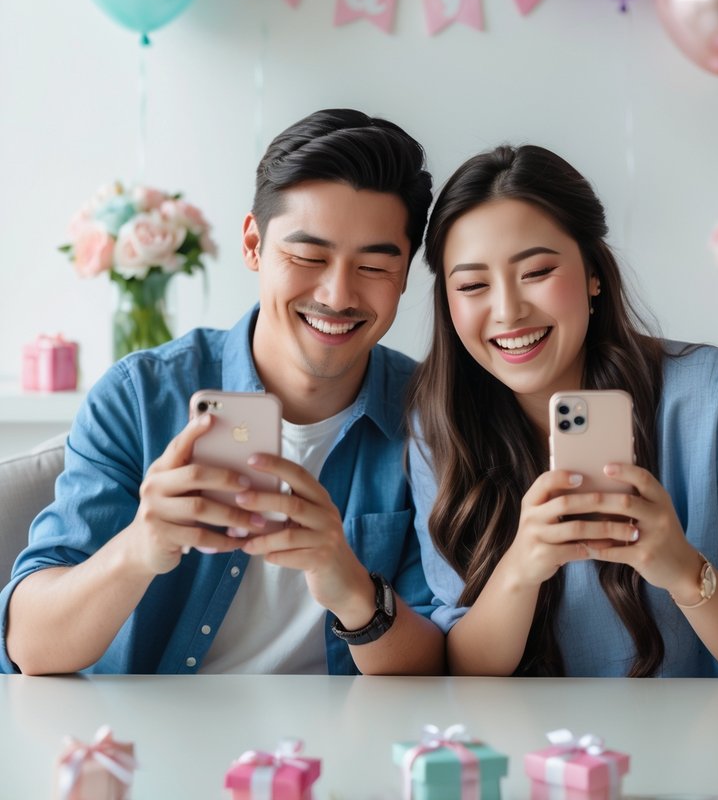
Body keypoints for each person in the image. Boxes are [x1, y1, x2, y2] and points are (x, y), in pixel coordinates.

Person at [1, 108, 444, 677]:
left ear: (405, 275)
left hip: (338, 731)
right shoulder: (140, 398)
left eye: (374, 267)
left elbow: (439, 666)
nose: (338, 295)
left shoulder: (432, 418)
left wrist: (354, 590)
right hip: (149, 728)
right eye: (308, 257)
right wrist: (139, 547)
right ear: (253, 244)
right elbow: (30, 647)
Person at [407, 143, 718, 678]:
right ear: (448, 303)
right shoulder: (438, 426)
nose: (508, 311)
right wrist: (521, 569)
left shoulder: (713, 394)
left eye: (536, 271)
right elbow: (463, 675)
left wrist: (682, 569)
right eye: (472, 285)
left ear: (593, 273)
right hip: (524, 733)